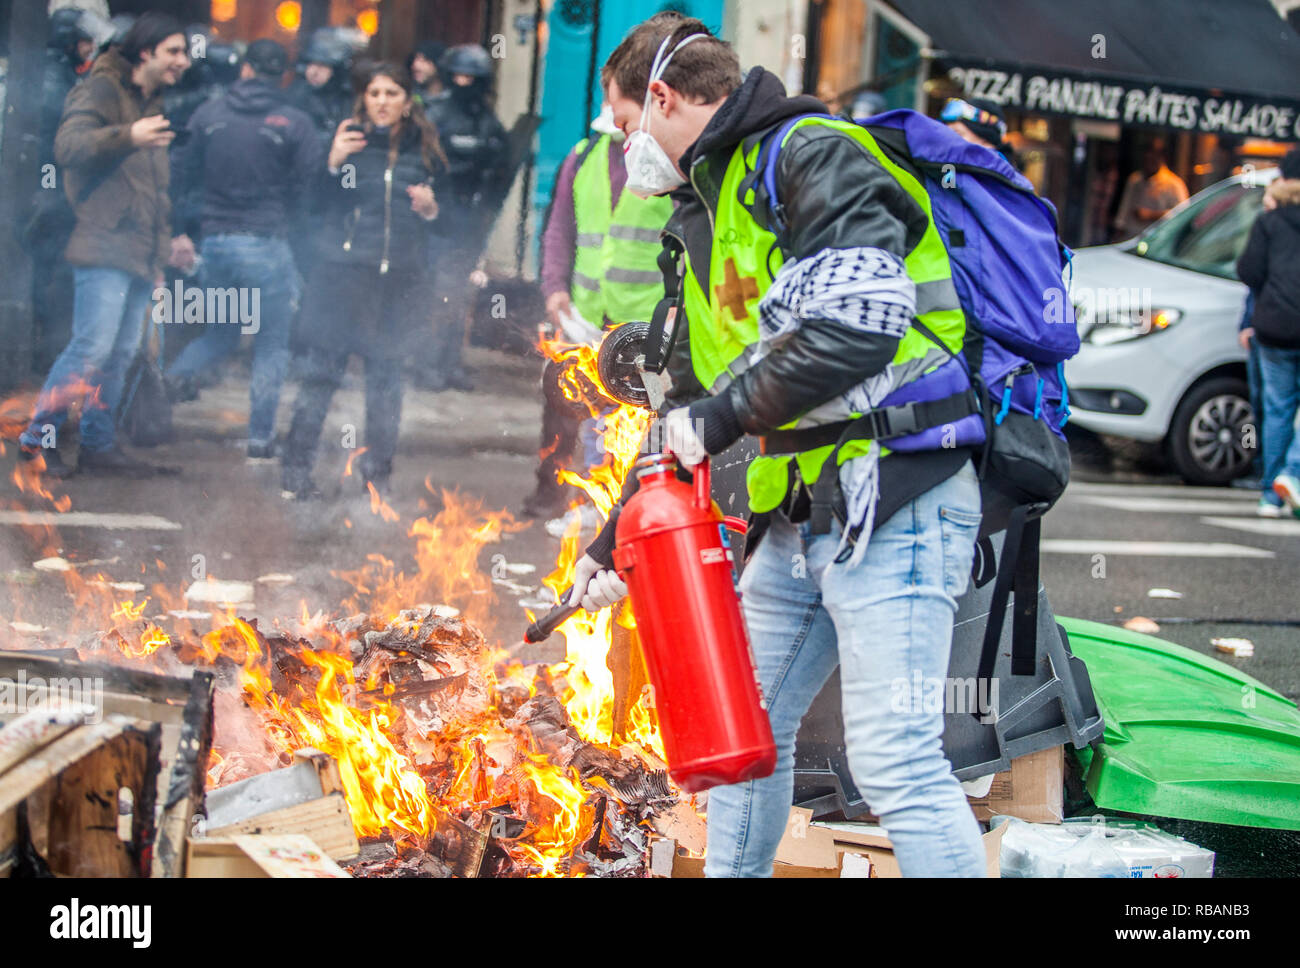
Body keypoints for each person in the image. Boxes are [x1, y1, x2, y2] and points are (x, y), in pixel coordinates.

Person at [569, 13, 988, 877]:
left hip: (897, 489)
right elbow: (685, 405)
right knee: (742, 731)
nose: (622, 151)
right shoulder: (707, 209)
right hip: (801, 512)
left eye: (622, 128)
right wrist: (610, 546)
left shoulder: (811, 156)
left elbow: (857, 327)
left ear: (663, 98)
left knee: (897, 759)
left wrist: (717, 421)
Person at [18, 13, 194, 479]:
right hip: (102, 244)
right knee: (91, 348)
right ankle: (39, 439)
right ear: (145, 53)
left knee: (117, 355)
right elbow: (68, 147)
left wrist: (160, 252)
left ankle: (98, 445)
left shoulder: (147, 98)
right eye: (174, 51)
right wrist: (128, 135)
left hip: (137, 252)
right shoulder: (101, 90)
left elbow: (152, 191)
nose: (184, 61)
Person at [280, 62, 446, 499]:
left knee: (387, 383)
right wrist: (332, 163)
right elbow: (310, 204)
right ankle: (295, 471)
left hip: (396, 284)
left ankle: (377, 476)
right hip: (343, 279)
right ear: (363, 99)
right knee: (321, 376)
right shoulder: (347, 143)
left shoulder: (424, 150)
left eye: (392, 93)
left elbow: (447, 219)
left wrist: (431, 209)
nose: (382, 102)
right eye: (374, 93)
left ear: (408, 102)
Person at [165, 39, 322, 460]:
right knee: (270, 344)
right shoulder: (295, 122)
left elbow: (179, 172)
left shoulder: (210, 113)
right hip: (267, 245)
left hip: (216, 244)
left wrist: (180, 230)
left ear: (246, 69)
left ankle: (162, 391)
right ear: (283, 75)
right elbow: (309, 187)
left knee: (219, 334)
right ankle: (259, 440)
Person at [522, 105, 673, 519]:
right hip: (587, 315)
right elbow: (559, 228)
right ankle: (585, 495)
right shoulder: (584, 156)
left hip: (649, 322)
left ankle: (645, 502)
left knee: (654, 410)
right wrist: (554, 289)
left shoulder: (668, 160)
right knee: (582, 409)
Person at [418, 44, 512, 392]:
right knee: (436, 291)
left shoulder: (485, 119)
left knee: (459, 292)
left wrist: (486, 206)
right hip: (437, 217)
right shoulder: (434, 113)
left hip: (469, 219)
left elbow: (499, 164)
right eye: (458, 76)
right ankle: (427, 363)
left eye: (471, 78)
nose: (464, 83)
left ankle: (450, 362)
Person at [1237, 150, 1300, 519]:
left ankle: (1271, 494)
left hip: (1275, 325)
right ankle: (1292, 474)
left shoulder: (1270, 221)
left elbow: (1248, 270)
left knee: (1277, 408)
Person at [286, 29, 354, 141]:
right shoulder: (295, 97)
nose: (314, 72)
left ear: (336, 70)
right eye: (311, 63)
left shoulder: (346, 99)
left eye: (322, 65)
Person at [1113, 138, 1188, 239]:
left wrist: (1151, 215)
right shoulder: (1135, 179)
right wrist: (1118, 233)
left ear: (1162, 158)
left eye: (1153, 157)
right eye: (1147, 158)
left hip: (1157, 239)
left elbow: (1182, 215)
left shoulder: (1174, 184)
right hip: (1131, 237)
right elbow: (1124, 209)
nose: (1149, 160)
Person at [939, 97, 1016, 166]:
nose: (949, 140)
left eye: (957, 134)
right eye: (947, 133)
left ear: (986, 139)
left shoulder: (995, 176)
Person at [407, 42, 445, 109]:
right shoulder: (411, 95)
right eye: (414, 60)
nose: (415, 65)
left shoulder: (452, 101)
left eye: (424, 60)